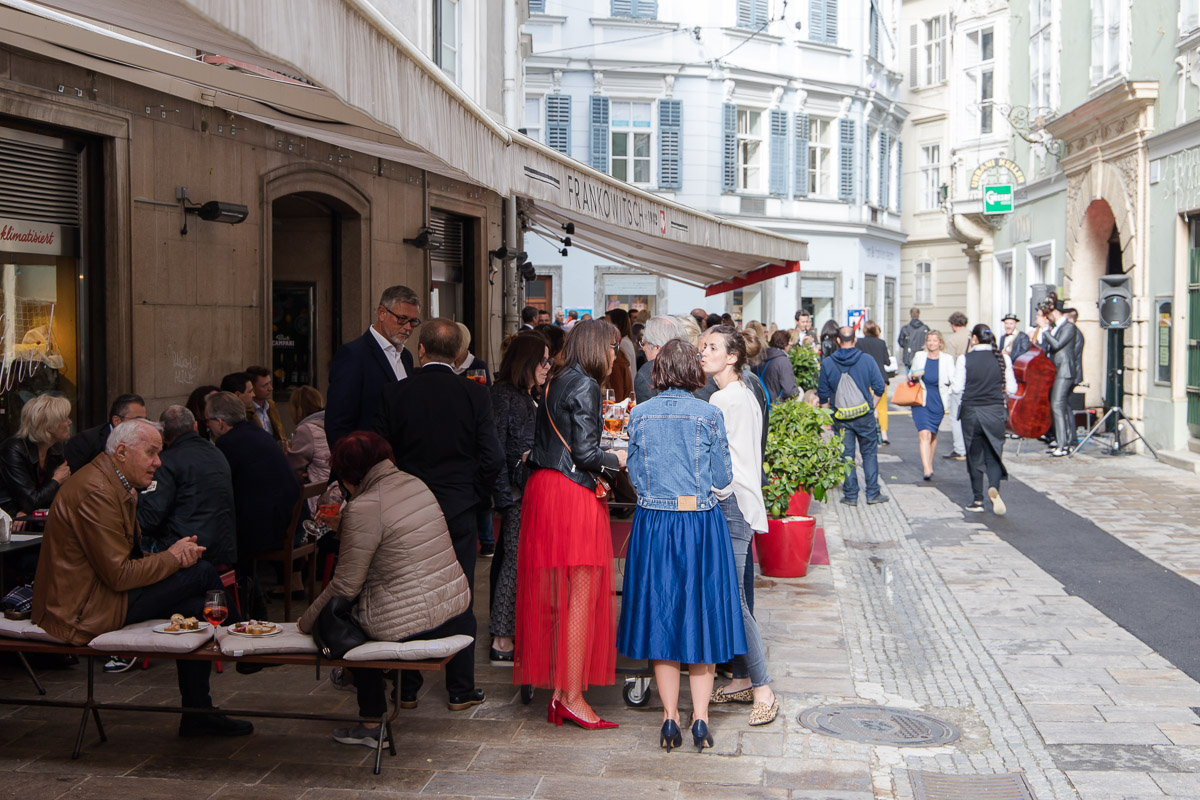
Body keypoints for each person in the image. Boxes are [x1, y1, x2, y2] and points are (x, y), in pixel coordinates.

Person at [32, 419, 253, 737]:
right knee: (201, 572)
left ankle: (197, 713)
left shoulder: (113, 482)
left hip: (97, 595)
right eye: (151, 453)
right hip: (82, 609)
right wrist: (173, 558)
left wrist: (173, 557)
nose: (158, 462)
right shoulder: (96, 490)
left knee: (194, 605)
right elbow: (120, 574)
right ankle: (244, 644)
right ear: (121, 452)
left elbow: (124, 562)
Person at [298, 432, 470, 750]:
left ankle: (370, 720)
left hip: (413, 616)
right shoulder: (412, 483)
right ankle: (355, 678)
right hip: (450, 603)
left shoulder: (364, 506)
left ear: (351, 475)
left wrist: (304, 623)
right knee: (362, 606)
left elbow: (344, 585)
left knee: (343, 619)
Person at [619, 339, 749, 753]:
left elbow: (636, 477)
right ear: (692, 371)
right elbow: (723, 477)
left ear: (658, 370)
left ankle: (669, 719)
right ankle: (701, 721)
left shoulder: (639, 414)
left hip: (654, 524)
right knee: (702, 618)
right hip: (699, 524)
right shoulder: (708, 414)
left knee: (662, 616)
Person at [374, 319, 504, 711]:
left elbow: (380, 455)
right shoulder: (474, 395)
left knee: (406, 593)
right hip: (456, 506)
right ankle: (460, 688)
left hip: (407, 508)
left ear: (423, 351)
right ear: (460, 356)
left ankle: (408, 685)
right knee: (458, 592)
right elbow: (493, 457)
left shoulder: (394, 394)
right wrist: (475, 495)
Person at [516, 319, 626, 729]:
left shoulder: (555, 380)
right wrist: (617, 461)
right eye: (612, 347)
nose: (615, 355)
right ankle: (573, 697)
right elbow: (584, 452)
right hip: (570, 494)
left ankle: (563, 693)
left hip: (545, 489)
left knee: (562, 599)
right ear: (598, 347)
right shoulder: (586, 384)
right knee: (581, 597)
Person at [695, 331, 779, 728]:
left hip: (730, 502)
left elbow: (717, 460)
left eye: (711, 348)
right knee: (740, 593)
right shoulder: (745, 390)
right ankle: (743, 678)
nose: (703, 353)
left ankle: (763, 688)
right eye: (703, 347)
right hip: (744, 501)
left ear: (731, 357)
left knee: (733, 600)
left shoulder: (723, 398)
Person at [487, 333, 552, 666]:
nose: (547, 366)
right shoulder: (503, 396)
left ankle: (512, 630)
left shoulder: (530, 394)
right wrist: (503, 498)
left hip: (530, 490)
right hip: (515, 492)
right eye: (543, 360)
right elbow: (495, 449)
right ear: (526, 362)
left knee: (518, 562)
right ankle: (502, 636)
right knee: (513, 563)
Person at [137, 405, 237, 567]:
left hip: (190, 551)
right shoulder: (216, 452)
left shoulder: (166, 462)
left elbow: (150, 519)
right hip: (223, 546)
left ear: (162, 435)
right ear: (195, 426)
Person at [206, 391, 300, 560]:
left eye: (207, 421)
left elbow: (220, 488)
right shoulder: (258, 432)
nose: (207, 427)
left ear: (220, 423)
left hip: (266, 529)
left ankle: (239, 582)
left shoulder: (227, 443)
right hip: (291, 521)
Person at [325, 285, 420, 451]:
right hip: (365, 464)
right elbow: (337, 423)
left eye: (413, 321)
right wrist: (352, 469)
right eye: (402, 319)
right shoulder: (353, 355)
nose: (408, 327)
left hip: (402, 464)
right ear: (382, 313)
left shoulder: (406, 357)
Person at [817, 327, 887, 506]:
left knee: (846, 456)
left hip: (841, 417)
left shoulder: (828, 363)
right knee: (869, 453)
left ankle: (850, 495)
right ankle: (872, 493)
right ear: (855, 340)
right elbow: (880, 387)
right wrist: (871, 406)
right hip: (865, 416)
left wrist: (828, 420)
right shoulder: (866, 360)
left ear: (838, 341)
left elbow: (823, 395)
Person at [953, 325, 1017, 513]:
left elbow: (957, 388)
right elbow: (1012, 389)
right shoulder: (1003, 358)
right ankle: (994, 486)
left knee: (974, 455)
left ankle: (977, 500)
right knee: (994, 452)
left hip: (971, 411)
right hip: (994, 411)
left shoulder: (965, 359)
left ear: (974, 339)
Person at [0, 394, 72, 525]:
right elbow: (31, 500)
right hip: (8, 519)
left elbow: (61, 494)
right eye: (64, 419)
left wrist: (28, 509)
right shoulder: (14, 449)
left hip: (35, 518)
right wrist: (56, 480)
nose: (69, 422)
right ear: (49, 426)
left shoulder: (55, 448)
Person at [907, 331, 955, 480]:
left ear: (940, 342)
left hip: (938, 400)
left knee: (932, 434)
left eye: (935, 341)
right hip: (921, 399)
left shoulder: (947, 359)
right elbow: (910, 376)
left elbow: (953, 380)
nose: (932, 343)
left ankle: (929, 462)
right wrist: (913, 377)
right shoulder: (919, 356)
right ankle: (927, 469)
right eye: (929, 340)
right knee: (924, 433)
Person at [64, 393, 147, 472]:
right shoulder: (85, 441)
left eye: (145, 420)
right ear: (116, 421)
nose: (143, 425)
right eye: (138, 420)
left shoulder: (143, 441)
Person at [1038, 300, 1079, 457]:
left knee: (1057, 405)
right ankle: (1065, 442)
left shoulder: (1069, 327)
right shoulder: (1057, 327)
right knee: (1060, 406)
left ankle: (1062, 445)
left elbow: (1057, 345)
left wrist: (1045, 331)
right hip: (1057, 371)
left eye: (1048, 316)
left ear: (1055, 312)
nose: (1047, 319)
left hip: (1065, 371)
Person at [286, 385, 330, 514]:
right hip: (335, 489)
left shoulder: (306, 429)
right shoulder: (331, 421)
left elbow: (293, 469)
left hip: (318, 497)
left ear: (297, 409)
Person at [855, 321, 894, 444]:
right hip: (881, 378)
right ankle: (884, 434)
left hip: (865, 378)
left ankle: (868, 432)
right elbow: (887, 362)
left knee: (865, 406)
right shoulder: (881, 343)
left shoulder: (860, 342)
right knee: (882, 408)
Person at [634, 316, 689, 403]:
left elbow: (646, 414)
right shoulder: (698, 366)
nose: (643, 348)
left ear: (657, 348)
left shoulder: (649, 371)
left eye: (644, 343)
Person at [942, 312, 970, 461]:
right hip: (974, 381)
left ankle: (960, 448)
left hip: (959, 380)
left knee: (955, 416)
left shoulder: (952, 340)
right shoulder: (973, 336)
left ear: (953, 325)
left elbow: (950, 363)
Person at [245, 365, 285, 444]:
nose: (270, 388)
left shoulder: (271, 406)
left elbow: (280, 436)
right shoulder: (247, 411)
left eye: (269, 383)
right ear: (252, 388)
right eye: (265, 385)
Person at [759, 330, 799, 402]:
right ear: (785, 344)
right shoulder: (783, 361)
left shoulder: (760, 357)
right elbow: (789, 391)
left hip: (761, 404)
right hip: (776, 407)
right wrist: (797, 391)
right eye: (789, 343)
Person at [607, 308, 638, 390]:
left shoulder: (624, 343)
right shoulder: (625, 341)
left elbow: (627, 370)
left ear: (616, 323)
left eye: (608, 322)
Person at [897, 307, 931, 374]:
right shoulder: (925, 328)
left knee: (909, 380)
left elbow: (901, 342)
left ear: (910, 315)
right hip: (922, 357)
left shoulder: (905, 328)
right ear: (919, 315)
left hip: (908, 357)